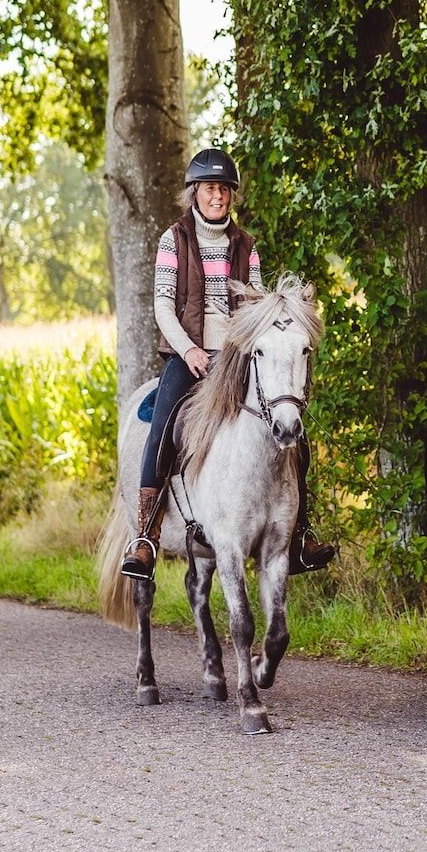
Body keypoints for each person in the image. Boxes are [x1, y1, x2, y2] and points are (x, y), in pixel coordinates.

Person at [119, 147, 336, 581]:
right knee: (162, 427)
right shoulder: (173, 239)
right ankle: (146, 533)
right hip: (190, 355)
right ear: (195, 193)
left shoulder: (246, 245)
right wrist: (189, 350)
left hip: (235, 358)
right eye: (209, 189)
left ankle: (300, 534)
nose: (217, 197)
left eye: (224, 190)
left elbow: (254, 306)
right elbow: (163, 305)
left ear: (231, 196)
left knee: (292, 429)